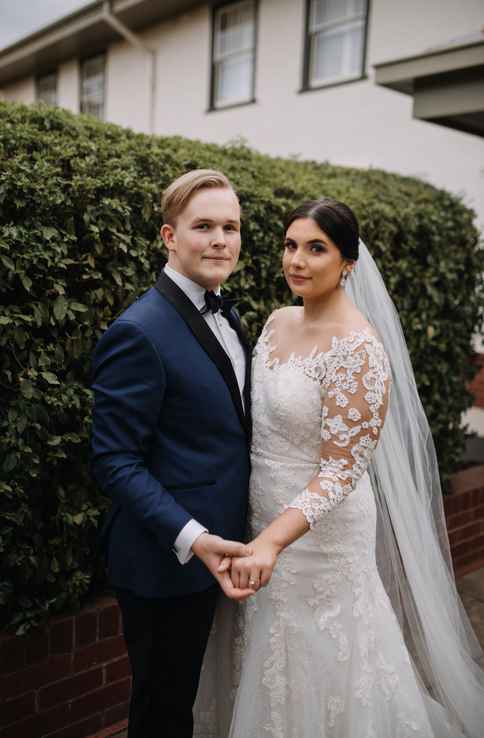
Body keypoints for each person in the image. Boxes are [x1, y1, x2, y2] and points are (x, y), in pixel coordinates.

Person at [194, 198, 484, 738]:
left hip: (318, 540)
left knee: (321, 661)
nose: (296, 260)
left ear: (348, 262)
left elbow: (340, 473)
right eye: (289, 245)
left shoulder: (359, 348)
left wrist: (273, 543)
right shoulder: (277, 323)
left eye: (315, 248)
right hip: (255, 521)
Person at [90, 169, 255, 738]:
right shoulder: (139, 331)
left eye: (230, 227)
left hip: (225, 552)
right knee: (162, 710)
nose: (219, 240)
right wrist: (192, 536)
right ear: (169, 236)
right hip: (166, 560)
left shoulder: (227, 313)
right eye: (203, 226)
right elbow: (114, 461)